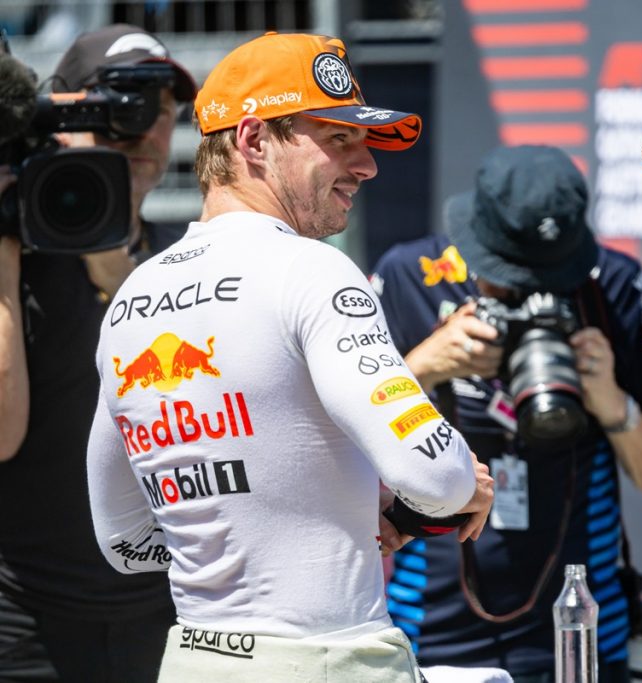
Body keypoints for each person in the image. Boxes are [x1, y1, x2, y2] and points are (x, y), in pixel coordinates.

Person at [85, 31, 493, 683]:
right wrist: (464, 480)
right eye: (339, 140)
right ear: (252, 141)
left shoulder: (133, 296)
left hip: (195, 659)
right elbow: (436, 479)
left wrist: (249, 528)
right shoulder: (315, 272)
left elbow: (122, 539)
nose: (367, 166)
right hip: (328, 660)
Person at [371, 144, 642, 682]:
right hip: (429, 636)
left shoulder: (612, 285)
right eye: (506, 280)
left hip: (581, 630)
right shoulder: (409, 276)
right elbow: (340, 458)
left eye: (545, 281)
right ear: (473, 243)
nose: (525, 295)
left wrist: (611, 402)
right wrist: (422, 367)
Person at [0, 24, 197, 682]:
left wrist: (100, 243)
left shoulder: (189, 260)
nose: (145, 129)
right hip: (25, 618)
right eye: (121, 104)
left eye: (163, 110)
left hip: (170, 609)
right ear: (64, 111)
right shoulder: (14, 256)